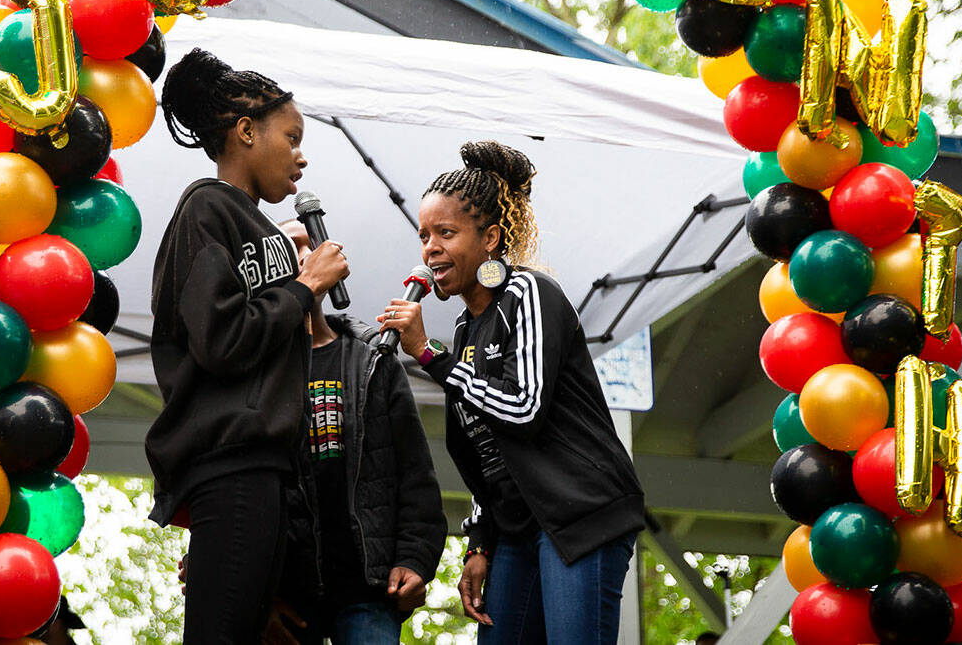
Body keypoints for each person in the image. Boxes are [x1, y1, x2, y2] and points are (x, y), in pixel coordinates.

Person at [378, 141, 645, 645]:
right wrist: (479, 540)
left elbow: (523, 408)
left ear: (491, 237)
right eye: (423, 235)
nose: (429, 248)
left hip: (579, 510)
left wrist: (430, 356)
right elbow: (487, 450)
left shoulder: (528, 293)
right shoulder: (464, 331)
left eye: (445, 233)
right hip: (518, 527)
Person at [148, 48, 349, 644]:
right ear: (244, 132)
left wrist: (292, 269)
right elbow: (222, 338)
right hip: (231, 465)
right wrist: (307, 285)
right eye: (290, 137)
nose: (301, 155)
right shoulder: (206, 208)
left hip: (263, 472)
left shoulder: (256, 229)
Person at [267, 222, 448, 645]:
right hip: (286, 594)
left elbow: (415, 473)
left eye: (308, 244)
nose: (302, 255)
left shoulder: (372, 360)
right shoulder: (256, 367)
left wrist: (415, 560)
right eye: (287, 248)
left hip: (369, 591)